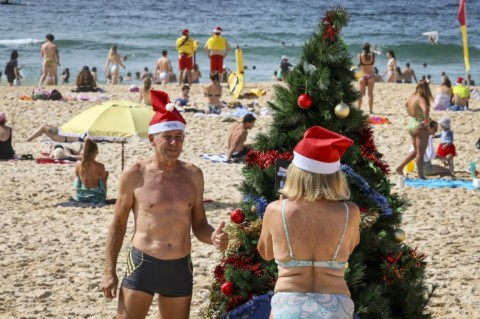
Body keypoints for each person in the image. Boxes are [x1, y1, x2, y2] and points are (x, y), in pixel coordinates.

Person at [101, 90, 229, 319]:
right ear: (152, 139)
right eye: (167, 137)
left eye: (179, 137)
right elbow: (118, 225)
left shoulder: (194, 175)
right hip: (143, 264)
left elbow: (199, 225)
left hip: (179, 268)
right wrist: (109, 271)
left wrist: (214, 238)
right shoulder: (134, 174)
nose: (174, 143)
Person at [257, 126, 360, 319]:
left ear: (296, 173)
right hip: (336, 304)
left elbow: (266, 253)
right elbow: (350, 248)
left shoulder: (276, 210)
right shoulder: (350, 212)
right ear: (335, 177)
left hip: (290, 302)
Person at [395, 80, 432, 179]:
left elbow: (406, 105)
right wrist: (426, 121)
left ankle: (399, 167)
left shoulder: (412, 97)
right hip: (420, 126)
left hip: (411, 124)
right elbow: (426, 110)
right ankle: (420, 175)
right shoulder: (421, 99)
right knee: (420, 152)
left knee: (415, 151)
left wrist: (411, 115)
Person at [74, 139, 108, 203]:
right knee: (106, 174)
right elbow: (102, 186)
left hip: (81, 197)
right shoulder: (100, 166)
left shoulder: (78, 165)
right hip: (96, 198)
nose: (97, 154)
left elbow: (77, 184)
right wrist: (106, 177)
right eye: (97, 152)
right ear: (94, 153)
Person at [357, 43, 376, 113]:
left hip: (363, 76)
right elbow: (373, 64)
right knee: (370, 94)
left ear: (363, 48)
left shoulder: (359, 55)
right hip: (370, 76)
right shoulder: (373, 55)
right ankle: (371, 111)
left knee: (360, 94)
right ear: (369, 48)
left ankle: (358, 109)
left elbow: (360, 64)